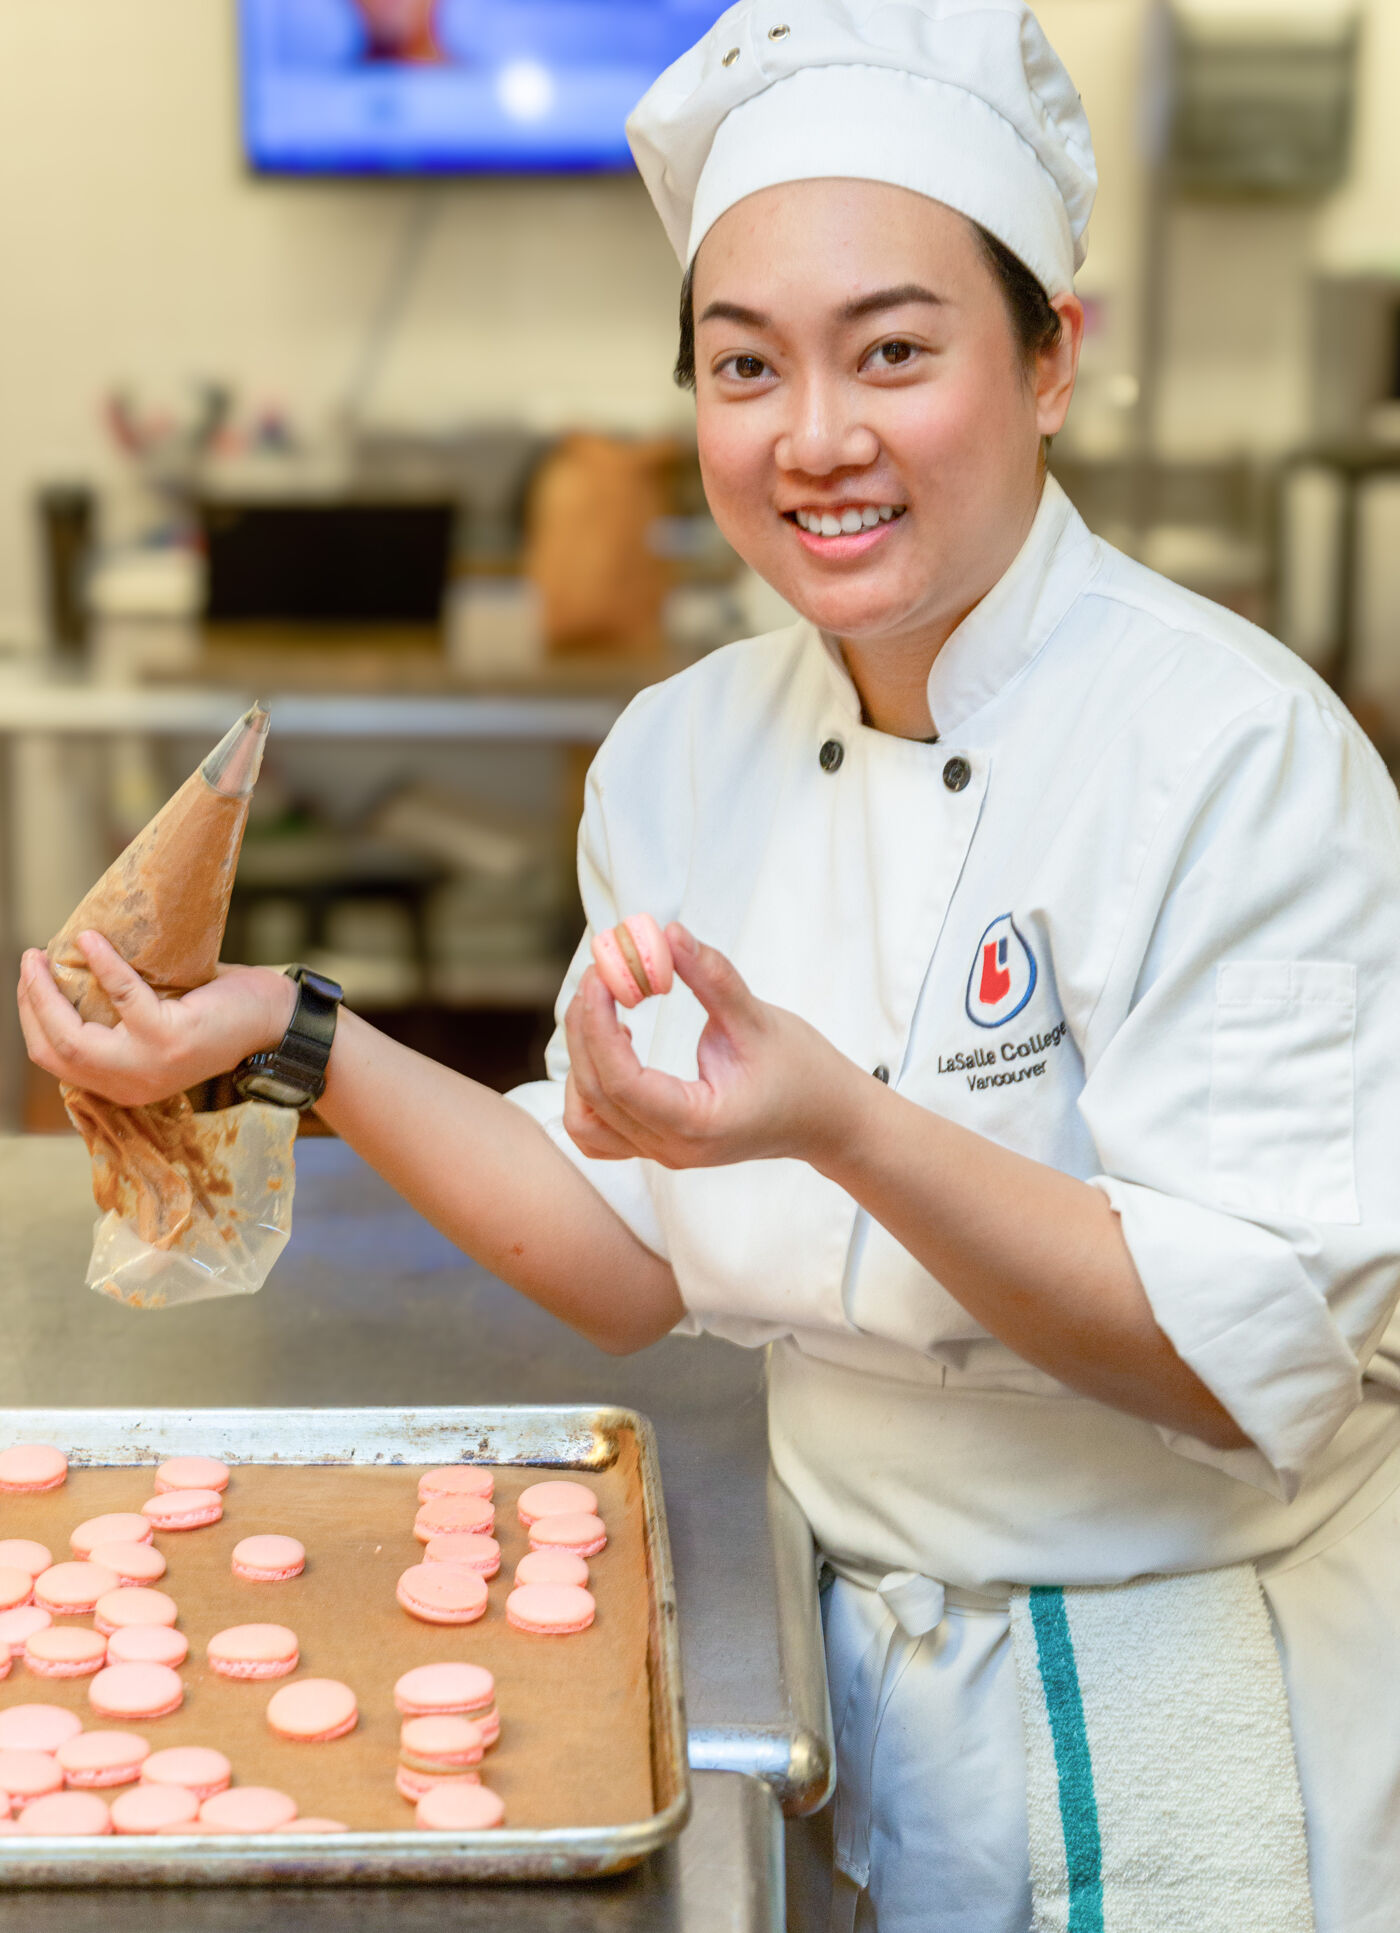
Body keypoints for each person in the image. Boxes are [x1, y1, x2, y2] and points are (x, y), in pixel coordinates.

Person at [19, 2, 1400, 1927]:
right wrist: (285, 1037)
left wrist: (837, 1118)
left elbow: (1254, 1353)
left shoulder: (1234, 753)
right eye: (744, 366)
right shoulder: (681, 753)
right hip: (839, 1665)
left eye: (894, 353)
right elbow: (625, 1253)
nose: (815, 437)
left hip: (1189, 1693)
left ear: (1053, 358)